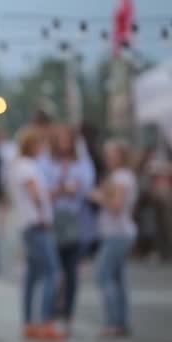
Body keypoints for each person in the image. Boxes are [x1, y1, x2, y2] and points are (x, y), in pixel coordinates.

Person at [7, 127, 64, 340]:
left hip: (27, 225)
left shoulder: (18, 166)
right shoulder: (27, 166)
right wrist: (43, 213)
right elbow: (34, 193)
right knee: (52, 272)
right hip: (36, 225)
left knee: (32, 276)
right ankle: (46, 321)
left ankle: (30, 322)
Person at [45, 125, 94, 334]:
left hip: (74, 218)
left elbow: (85, 186)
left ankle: (68, 312)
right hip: (54, 218)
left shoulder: (81, 162)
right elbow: (44, 186)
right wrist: (60, 188)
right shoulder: (49, 162)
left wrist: (71, 187)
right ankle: (52, 311)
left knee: (71, 269)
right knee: (55, 269)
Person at [90, 139, 138, 338]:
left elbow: (116, 206)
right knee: (118, 278)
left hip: (117, 233)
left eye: (112, 154)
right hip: (119, 232)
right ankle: (120, 321)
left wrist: (98, 197)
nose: (108, 157)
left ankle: (113, 321)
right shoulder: (122, 176)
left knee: (104, 276)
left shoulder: (121, 177)